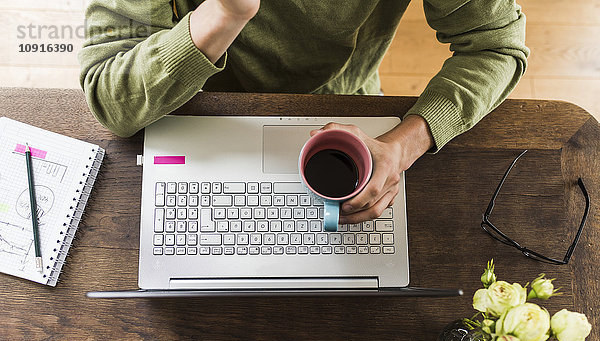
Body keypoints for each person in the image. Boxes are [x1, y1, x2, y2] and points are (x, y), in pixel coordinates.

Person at [79, 0, 529, 224]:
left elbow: (498, 46)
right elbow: (108, 96)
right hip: (187, 112)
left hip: (347, 108)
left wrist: (404, 144)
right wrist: (221, 15)